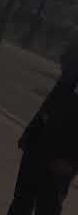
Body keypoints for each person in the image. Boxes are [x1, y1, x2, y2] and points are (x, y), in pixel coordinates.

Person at [7, 37, 78, 215]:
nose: (62, 60)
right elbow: (49, 106)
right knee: (21, 202)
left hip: (61, 158)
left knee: (47, 208)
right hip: (38, 147)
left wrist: (72, 162)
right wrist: (29, 134)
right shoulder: (67, 79)